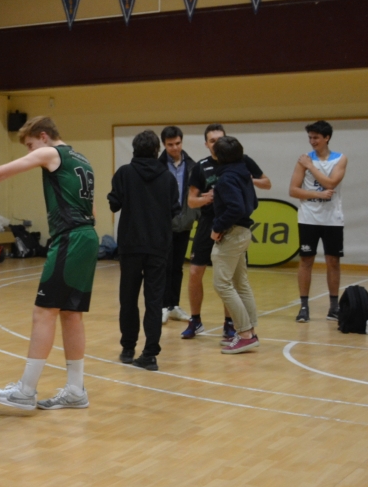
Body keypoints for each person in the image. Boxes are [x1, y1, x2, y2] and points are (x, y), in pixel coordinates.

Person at [0, 116, 98, 411]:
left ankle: (26, 390)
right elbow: (91, 210)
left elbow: (2, 171)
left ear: (43, 136)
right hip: (87, 236)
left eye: (30, 145)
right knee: (71, 314)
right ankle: (75, 390)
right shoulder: (83, 160)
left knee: (43, 311)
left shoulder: (52, 152)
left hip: (70, 237)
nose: (30, 151)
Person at [182, 124, 271, 339]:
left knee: (227, 282)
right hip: (209, 223)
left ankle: (235, 326)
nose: (216, 144)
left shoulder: (239, 166)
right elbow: (191, 201)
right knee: (196, 273)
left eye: (220, 140)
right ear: (206, 144)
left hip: (229, 225)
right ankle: (197, 320)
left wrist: (245, 182)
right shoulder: (202, 167)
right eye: (212, 141)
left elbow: (264, 185)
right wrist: (206, 199)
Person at [108, 130, 179, 371]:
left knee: (128, 298)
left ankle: (128, 348)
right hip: (159, 245)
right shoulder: (168, 177)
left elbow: (114, 203)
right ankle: (150, 354)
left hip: (131, 244)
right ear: (157, 150)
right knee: (154, 300)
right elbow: (175, 210)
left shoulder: (124, 173)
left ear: (134, 149)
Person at [289, 120, 348, 322]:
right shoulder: (304, 160)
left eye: (316, 137)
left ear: (327, 138)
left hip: (332, 218)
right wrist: (316, 194)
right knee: (306, 260)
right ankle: (304, 307)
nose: (312, 141)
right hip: (309, 218)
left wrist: (310, 167)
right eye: (310, 137)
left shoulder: (340, 159)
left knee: (333, 261)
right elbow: (293, 190)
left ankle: (334, 307)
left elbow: (331, 183)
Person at [210, 136, 260, 354]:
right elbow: (253, 203)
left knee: (221, 284)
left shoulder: (226, 179)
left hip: (231, 234)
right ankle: (250, 331)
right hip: (244, 232)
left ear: (219, 156)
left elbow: (236, 208)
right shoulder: (243, 173)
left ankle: (245, 334)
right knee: (241, 283)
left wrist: (218, 227)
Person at [160, 126, 198, 323]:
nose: (174, 148)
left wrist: (194, 216)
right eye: (170, 145)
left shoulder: (192, 166)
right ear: (164, 145)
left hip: (184, 223)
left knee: (177, 267)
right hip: (163, 224)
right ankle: (162, 306)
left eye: (177, 143)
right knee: (163, 266)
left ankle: (174, 305)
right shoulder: (157, 166)